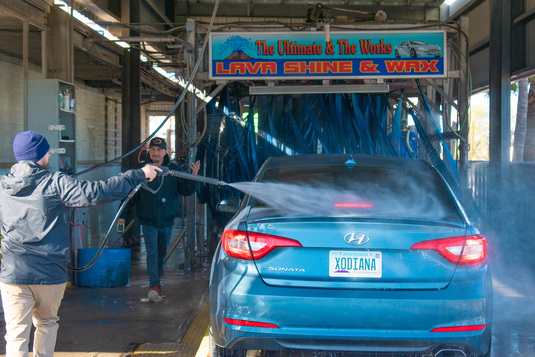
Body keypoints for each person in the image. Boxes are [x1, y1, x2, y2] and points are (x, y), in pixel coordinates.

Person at [0, 130, 161, 357]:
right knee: (46, 322)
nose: (49, 156)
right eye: (47, 152)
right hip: (49, 272)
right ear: (41, 155)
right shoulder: (56, 182)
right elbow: (97, 192)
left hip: (13, 273)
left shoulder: (3, 186)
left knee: (16, 333)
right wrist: (137, 174)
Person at [118, 137, 200, 302]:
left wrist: (194, 176)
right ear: (149, 151)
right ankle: (153, 284)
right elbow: (130, 196)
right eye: (153, 150)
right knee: (152, 252)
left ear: (165, 151)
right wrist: (121, 216)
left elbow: (186, 190)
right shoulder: (142, 171)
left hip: (167, 219)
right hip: (148, 220)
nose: (155, 153)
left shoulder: (173, 171)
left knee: (162, 253)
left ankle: (157, 281)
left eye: (159, 150)